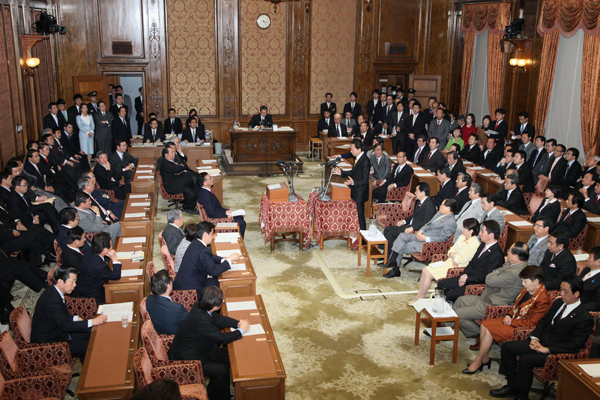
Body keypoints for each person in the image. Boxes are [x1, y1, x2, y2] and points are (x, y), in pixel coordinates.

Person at [491, 275, 594, 400]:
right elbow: (543, 321)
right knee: (508, 347)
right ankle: (512, 387)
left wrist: (547, 350)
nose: (561, 294)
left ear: (577, 293)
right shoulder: (558, 302)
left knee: (526, 360)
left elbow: (575, 345)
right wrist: (535, 338)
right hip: (540, 342)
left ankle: (522, 396)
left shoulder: (584, 317)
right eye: (561, 289)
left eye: (565, 291)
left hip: (555, 352)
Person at [464, 265, 551, 374]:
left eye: (525, 281)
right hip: (514, 319)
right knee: (484, 324)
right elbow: (515, 306)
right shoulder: (526, 289)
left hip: (522, 328)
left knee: (489, 330)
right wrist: (508, 315)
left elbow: (532, 322)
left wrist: (512, 321)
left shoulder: (543, 299)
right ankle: (484, 359)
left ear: (536, 281)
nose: (523, 284)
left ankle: (478, 360)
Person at [169, 286, 249, 400]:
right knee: (221, 371)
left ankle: (213, 392)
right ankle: (221, 397)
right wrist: (241, 331)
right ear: (216, 306)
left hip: (198, 348)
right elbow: (221, 338)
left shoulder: (200, 306)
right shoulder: (203, 319)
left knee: (228, 357)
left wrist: (237, 323)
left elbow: (217, 319)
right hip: (188, 358)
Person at [453, 242, 529, 341]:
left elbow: (489, 279)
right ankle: (448, 326)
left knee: (458, 314)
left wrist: (498, 271)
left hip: (493, 304)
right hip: (487, 298)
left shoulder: (514, 272)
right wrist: (499, 270)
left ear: (516, 256)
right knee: (460, 300)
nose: (507, 253)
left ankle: (478, 334)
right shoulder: (512, 265)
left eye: (509, 251)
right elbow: (497, 272)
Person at [30, 265, 108, 361]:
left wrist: (75, 318)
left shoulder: (54, 292)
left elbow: (59, 316)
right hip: (49, 343)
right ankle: (89, 372)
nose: (75, 285)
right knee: (88, 346)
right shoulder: (51, 300)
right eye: (72, 282)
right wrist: (93, 321)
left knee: (91, 333)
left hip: (58, 331)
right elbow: (65, 325)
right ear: (60, 282)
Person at [410, 218, 480, 304]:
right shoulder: (462, 237)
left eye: (464, 228)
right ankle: (419, 295)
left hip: (456, 267)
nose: (462, 229)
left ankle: (421, 297)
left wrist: (454, 256)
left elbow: (463, 259)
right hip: (449, 261)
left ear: (471, 231)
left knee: (428, 274)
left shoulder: (474, 244)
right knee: (425, 270)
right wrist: (453, 255)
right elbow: (451, 249)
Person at [383, 198, 458, 278]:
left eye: (442, 204)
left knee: (400, 244)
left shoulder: (451, 222)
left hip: (428, 243)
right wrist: (420, 231)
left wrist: (425, 238)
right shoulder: (439, 214)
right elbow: (428, 223)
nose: (440, 206)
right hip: (421, 235)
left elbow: (442, 238)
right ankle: (393, 261)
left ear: (448, 208)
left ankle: (395, 268)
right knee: (401, 236)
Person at [437, 220, 505, 302]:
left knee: (450, 295)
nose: (480, 233)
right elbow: (472, 263)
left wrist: (467, 279)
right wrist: (464, 275)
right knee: (441, 284)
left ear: (491, 235)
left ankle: (449, 310)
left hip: (475, 283)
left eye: (482, 232)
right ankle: (440, 307)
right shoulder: (483, 244)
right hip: (467, 277)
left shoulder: (497, 255)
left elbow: (486, 276)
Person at [173, 222, 239, 296]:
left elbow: (209, 256)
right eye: (211, 234)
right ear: (205, 235)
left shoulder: (195, 243)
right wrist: (229, 260)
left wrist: (222, 260)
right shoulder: (202, 250)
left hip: (187, 282)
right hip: (192, 290)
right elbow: (214, 271)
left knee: (218, 280)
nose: (213, 236)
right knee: (224, 283)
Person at [381, 182, 436, 251]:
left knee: (391, 234)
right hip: (410, 225)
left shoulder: (429, 205)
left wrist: (413, 228)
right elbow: (414, 215)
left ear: (423, 192)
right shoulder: (419, 202)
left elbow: (427, 222)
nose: (415, 193)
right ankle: (385, 253)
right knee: (387, 228)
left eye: (416, 190)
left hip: (416, 229)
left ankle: (389, 255)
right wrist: (404, 221)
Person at [71, 232, 122, 305]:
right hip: (91, 295)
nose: (112, 248)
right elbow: (116, 276)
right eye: (110, 246)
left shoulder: (89, 251)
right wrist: (114, 259)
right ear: (104, 250)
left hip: (83, 286)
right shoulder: (100, 266)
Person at [333, 139, 370, 230]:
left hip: (360, 192)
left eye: (352, 149)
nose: (351, 151)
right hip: (355, 190)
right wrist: (341, 173)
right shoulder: (357, 158)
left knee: (360, 216)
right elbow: (354, 172)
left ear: (359, 149)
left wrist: (353, 182)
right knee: (354, 214)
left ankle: (363, 237)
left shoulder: (365, 161)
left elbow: (365, 180)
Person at [196, 172, 247, 238]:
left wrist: (225, 211)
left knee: (240, 216)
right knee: (242, 223)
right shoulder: (205, 196)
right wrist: (225, 215)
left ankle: (235, 237)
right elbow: (211, 214)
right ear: (205, 183)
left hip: (217, 212)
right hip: (213, 220)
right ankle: (239, 241)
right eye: (210, 178)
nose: (212, 179)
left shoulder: (205, 191)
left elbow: (214, 207)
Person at [145, 270, 189, 335]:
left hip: (159, 331)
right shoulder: (177, 309)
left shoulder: (149, 299)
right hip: (177, 338)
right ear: (168, 286)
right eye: (170, 280)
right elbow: (192, 321)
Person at [160, 146, 200, 213]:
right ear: (166, 155)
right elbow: (179, 168)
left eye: (174, 152)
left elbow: (184, 165)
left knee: (195, 188)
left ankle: (191, 205)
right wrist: (180, 166)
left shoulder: (173, 159)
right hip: (172, 186)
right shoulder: (165, 164)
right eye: (172, 152)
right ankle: (189, 208)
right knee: (192, 180)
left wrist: (180, 166)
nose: (174, 153)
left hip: (177, 182)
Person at [578, 246, 600, 311]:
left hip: (582, 308)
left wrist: (577, 307)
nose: (587, 258)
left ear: (598, 261)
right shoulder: (587, 269)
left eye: (590, 257)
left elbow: (597, 304)